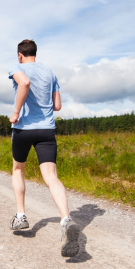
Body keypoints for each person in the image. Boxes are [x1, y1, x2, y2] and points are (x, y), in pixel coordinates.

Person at [8, 39, 80, 257]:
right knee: (51, 176)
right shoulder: (50, 73)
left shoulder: (17, 68)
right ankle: (66, 219)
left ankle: (21, 216)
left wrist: (16, 112)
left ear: (20, 54)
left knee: (18, 170)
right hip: (47, 130)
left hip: (23, 129)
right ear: (35, 53)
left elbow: (24, 83)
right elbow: (57, 105)